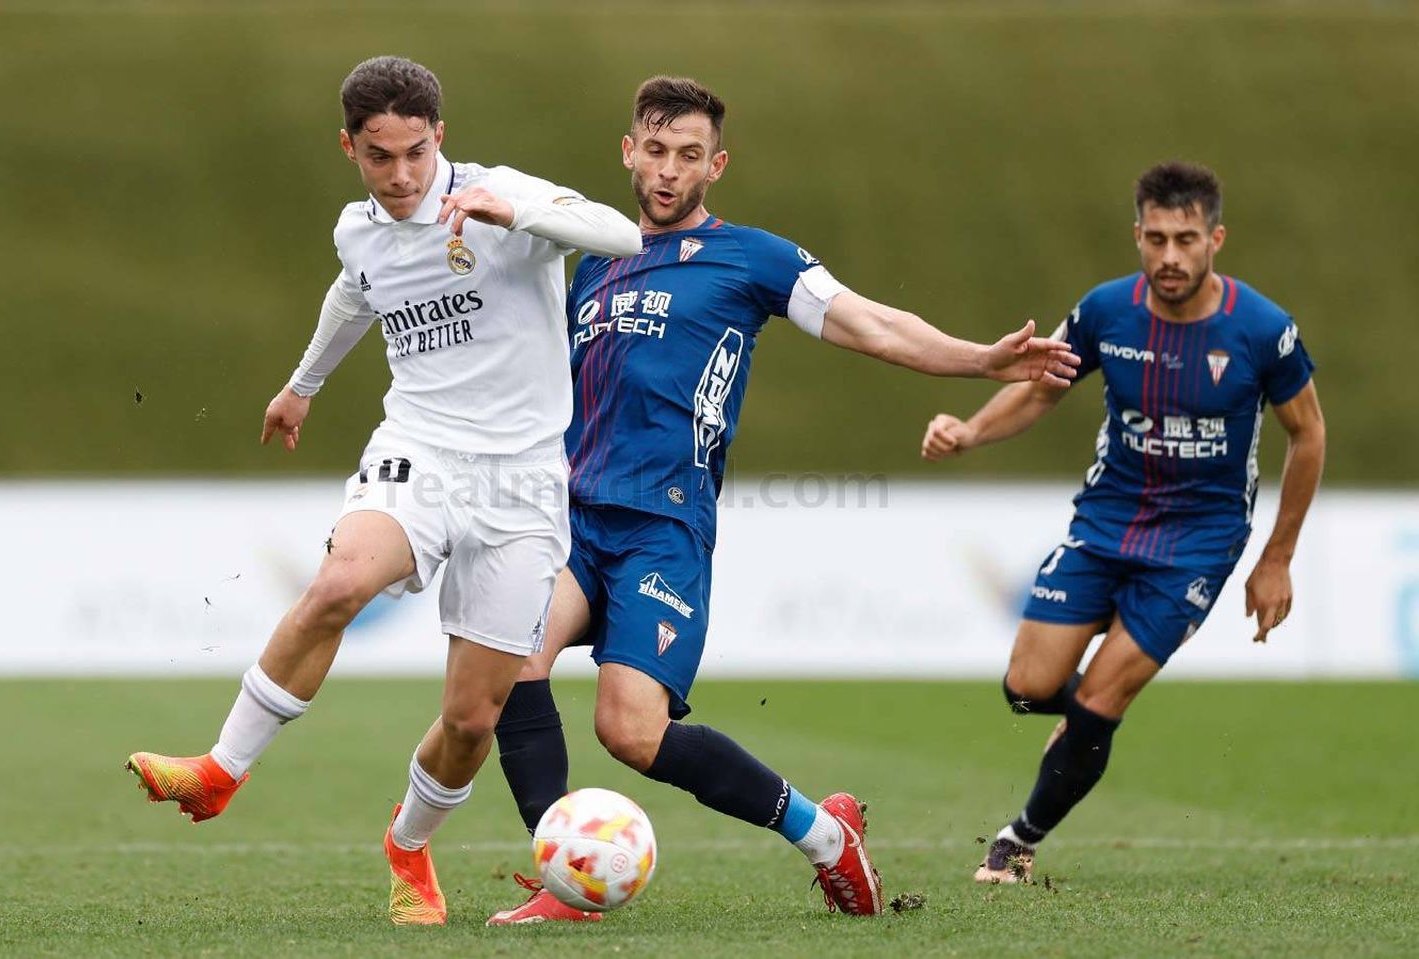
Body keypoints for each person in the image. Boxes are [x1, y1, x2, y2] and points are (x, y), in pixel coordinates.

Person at [485, 76, 1081, 924]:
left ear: (715, 165)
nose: (667, 170)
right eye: (654, 150)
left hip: (663, 528)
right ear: (628, 151)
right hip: (574, 520)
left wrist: (980, 360)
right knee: (511, 663)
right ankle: (566, 882)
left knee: (631, 731)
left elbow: (869, 322)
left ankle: (825, 836)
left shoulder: (754, 258)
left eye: (688, 156)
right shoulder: (595, 263)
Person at [123, 55, 642, 926]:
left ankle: (407, 843)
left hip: (522, 482)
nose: (400, 176)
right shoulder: (357, 230)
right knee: (338, 583)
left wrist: (510, 209)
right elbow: (355, 293)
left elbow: (621, 236)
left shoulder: (499, 194)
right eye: (378, 156)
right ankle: (219, 770)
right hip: (421, 449)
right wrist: (303, 385)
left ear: (440, 136)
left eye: (414, 152)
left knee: (473, 718)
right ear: (349, 148)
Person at [919, 161, 1325, 883]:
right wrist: (971, 431)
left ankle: (1017, 840)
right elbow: (1043, 391)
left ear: (1215, 240)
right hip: (1105, 522)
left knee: (1102, 698)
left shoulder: (1263, 330)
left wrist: (1276, 558)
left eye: (1187, 239)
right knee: (1025, 684)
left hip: (1198, 543)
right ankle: (1082, 728)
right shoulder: (1108, 312)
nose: (1171, 256)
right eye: (1157, 238)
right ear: (1137, 235)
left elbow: (1309, 434)